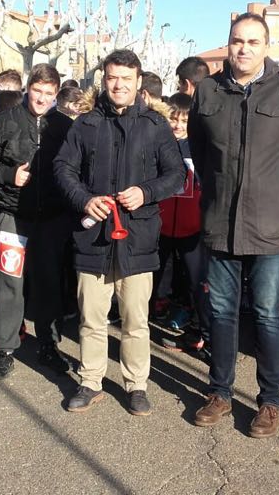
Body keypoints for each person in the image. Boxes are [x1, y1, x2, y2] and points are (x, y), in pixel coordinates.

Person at [188, 13, 279, 438]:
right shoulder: (208, 90)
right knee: (222, 312)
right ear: (227, 45)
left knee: (267, 314)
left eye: (252, 41)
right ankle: (220, 392)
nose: (243, 48)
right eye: (236, 41)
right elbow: (198, 146)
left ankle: (270, 401)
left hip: (270, 227)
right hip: (220, 223)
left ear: (267, 47)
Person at [55, 49, 185, 415]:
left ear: (138, 82)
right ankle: (91, 380)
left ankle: (136, 384)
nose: (119, 85)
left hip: (138, 237)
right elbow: (63, 169)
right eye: (112, 78)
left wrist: (146, 192)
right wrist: (83, 199)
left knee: (135, 320)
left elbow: (177, 175)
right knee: (91, 318)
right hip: (93, 238)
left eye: (126, 79)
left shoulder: (156, 126)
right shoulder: (85, 124)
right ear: (104, 79)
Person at [0, 64, 72, 380]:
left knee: (48, 283)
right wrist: (8, 175)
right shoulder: (4, 121)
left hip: (52, 219)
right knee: (8, 282)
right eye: (37, 91)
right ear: (28, 88)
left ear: (56, 95)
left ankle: (48, 344)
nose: (42, 98)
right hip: (11, 214)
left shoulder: (66, 127)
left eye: (49, 93)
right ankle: (3, 349)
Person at [155, 93, 209, 358]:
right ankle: (153, 315)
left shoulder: (198, 148)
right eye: (173, 119)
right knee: (156, 277)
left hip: (192, 228)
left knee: (197, 282)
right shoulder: (160, 144)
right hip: (161, 226)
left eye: (184, 120)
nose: (177, 125)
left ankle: (200, 332)